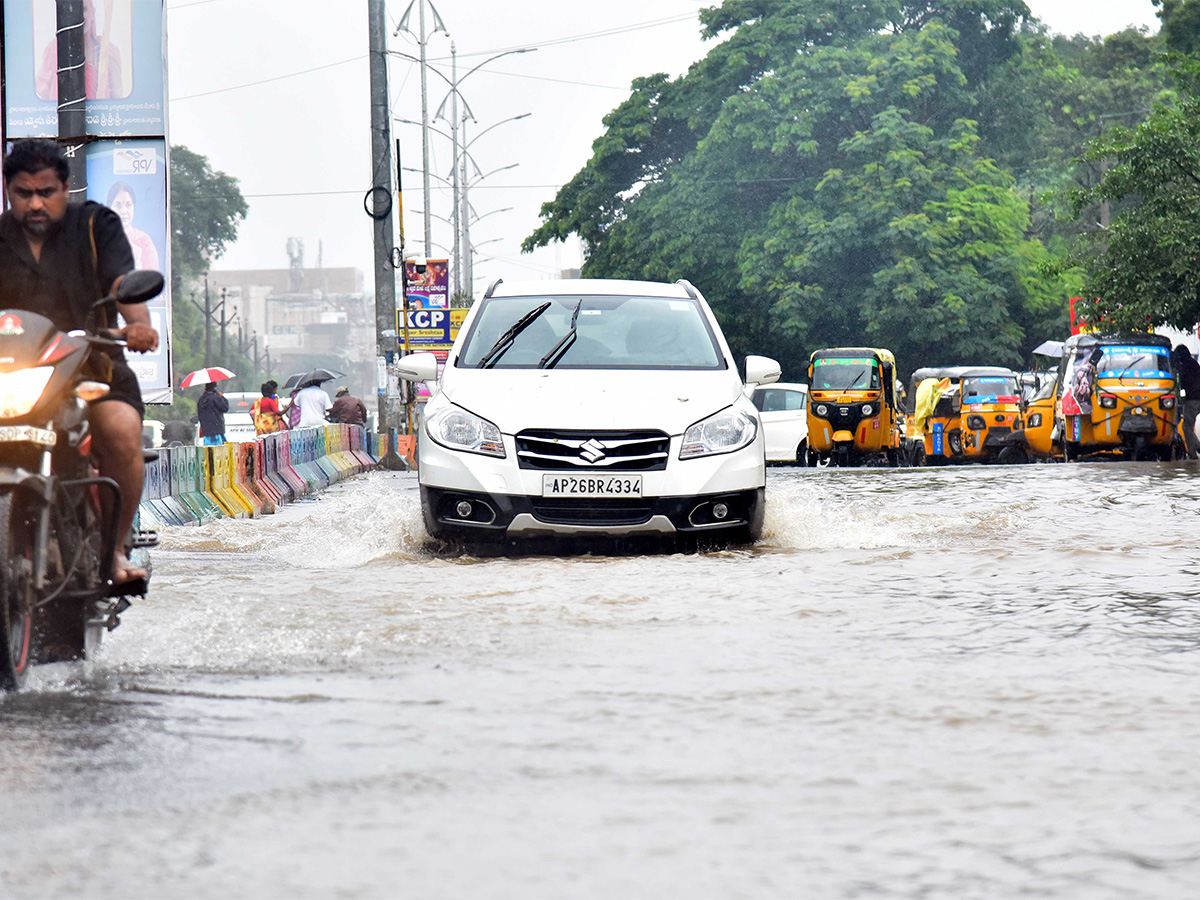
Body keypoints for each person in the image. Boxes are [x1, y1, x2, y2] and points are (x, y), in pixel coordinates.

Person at [0, 138, 158, 585]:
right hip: (13, 372)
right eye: (23, 193)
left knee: (121, 431)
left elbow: (122, 280)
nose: (35, 203)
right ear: (8, 190)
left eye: (46, 192)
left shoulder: (94, 225)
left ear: (65, 188)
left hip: (91, 363)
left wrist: (138, 325)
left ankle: (114, 550)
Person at [35, 0, 125, 101]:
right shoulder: (53, 50)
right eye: (71, 10)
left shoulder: (107, 50)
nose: (77, 16)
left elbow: (118, 100)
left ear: (92, 12)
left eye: (83, 9)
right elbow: (41, 95)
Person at [106, 182, 159, 271]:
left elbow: (153, 280)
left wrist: (137, 261)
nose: (124, 211)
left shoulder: (144, 241)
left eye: (128, 205)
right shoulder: (100, 239)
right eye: (118, 205)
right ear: (109, 208)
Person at [1173, 345, 1200, 459]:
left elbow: (1183, 384)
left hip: (1192, 399)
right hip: (1197, 398)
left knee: (1186, 427)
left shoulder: (1185, 367)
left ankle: (1193, 454)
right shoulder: (1194, 364)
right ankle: (1197, 446)